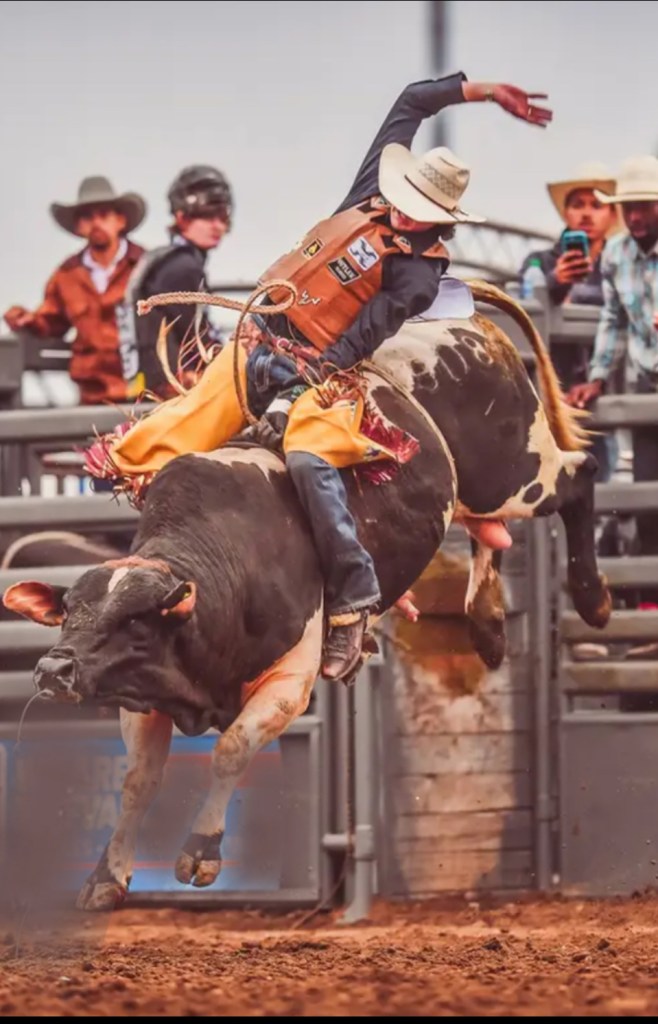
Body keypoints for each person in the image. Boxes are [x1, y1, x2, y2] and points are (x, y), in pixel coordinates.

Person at [87, 73, 552, 682]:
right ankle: (131, 590)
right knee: (148, 444)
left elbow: (363, 336)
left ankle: (353, 596)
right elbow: (412, 100)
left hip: (323, 373)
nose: (400, 210)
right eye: (404, 198)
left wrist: (302, 382)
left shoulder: (417, 276)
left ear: (436, 218)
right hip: (255, 342)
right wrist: (483, 91)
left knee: (310, 459)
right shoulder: (371, 193)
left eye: (416, 209)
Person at [568, 156, 658, 659]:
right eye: (629, 208)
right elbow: (614, 319)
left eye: (644, 206)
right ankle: (651, 618)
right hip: (649, 387)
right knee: (647, 506)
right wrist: (597, 377)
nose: (636, 216)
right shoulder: (618, 254)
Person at [4, 177, 146, 405]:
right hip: (92, 396)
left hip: (144, 394)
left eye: (104, 214)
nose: (96, 223)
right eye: (88, 217)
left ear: (120, 220)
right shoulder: (66, 276)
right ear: (79, 226)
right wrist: (27, 320)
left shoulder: (147, 266)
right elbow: (51, 321)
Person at [120, 166, 233, 399]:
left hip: (147, 388)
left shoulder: (162, 260)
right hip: (173, 390)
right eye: (206, 216)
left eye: (222, 217)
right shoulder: (183, 268)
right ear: (182, 218)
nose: (217, 226)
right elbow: (197, 341)